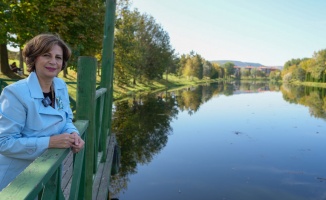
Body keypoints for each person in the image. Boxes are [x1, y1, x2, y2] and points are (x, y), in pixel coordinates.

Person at [0, 34, 85, 190]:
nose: (53, 61)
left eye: (58, 57)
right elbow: (4, 143)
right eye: (47, 55)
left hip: (46, 174)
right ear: (34, 59)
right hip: (14, 182)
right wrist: (50, 142)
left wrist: (74, 134)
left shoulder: (60, 86)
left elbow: (66, 118)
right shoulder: (15, 93)